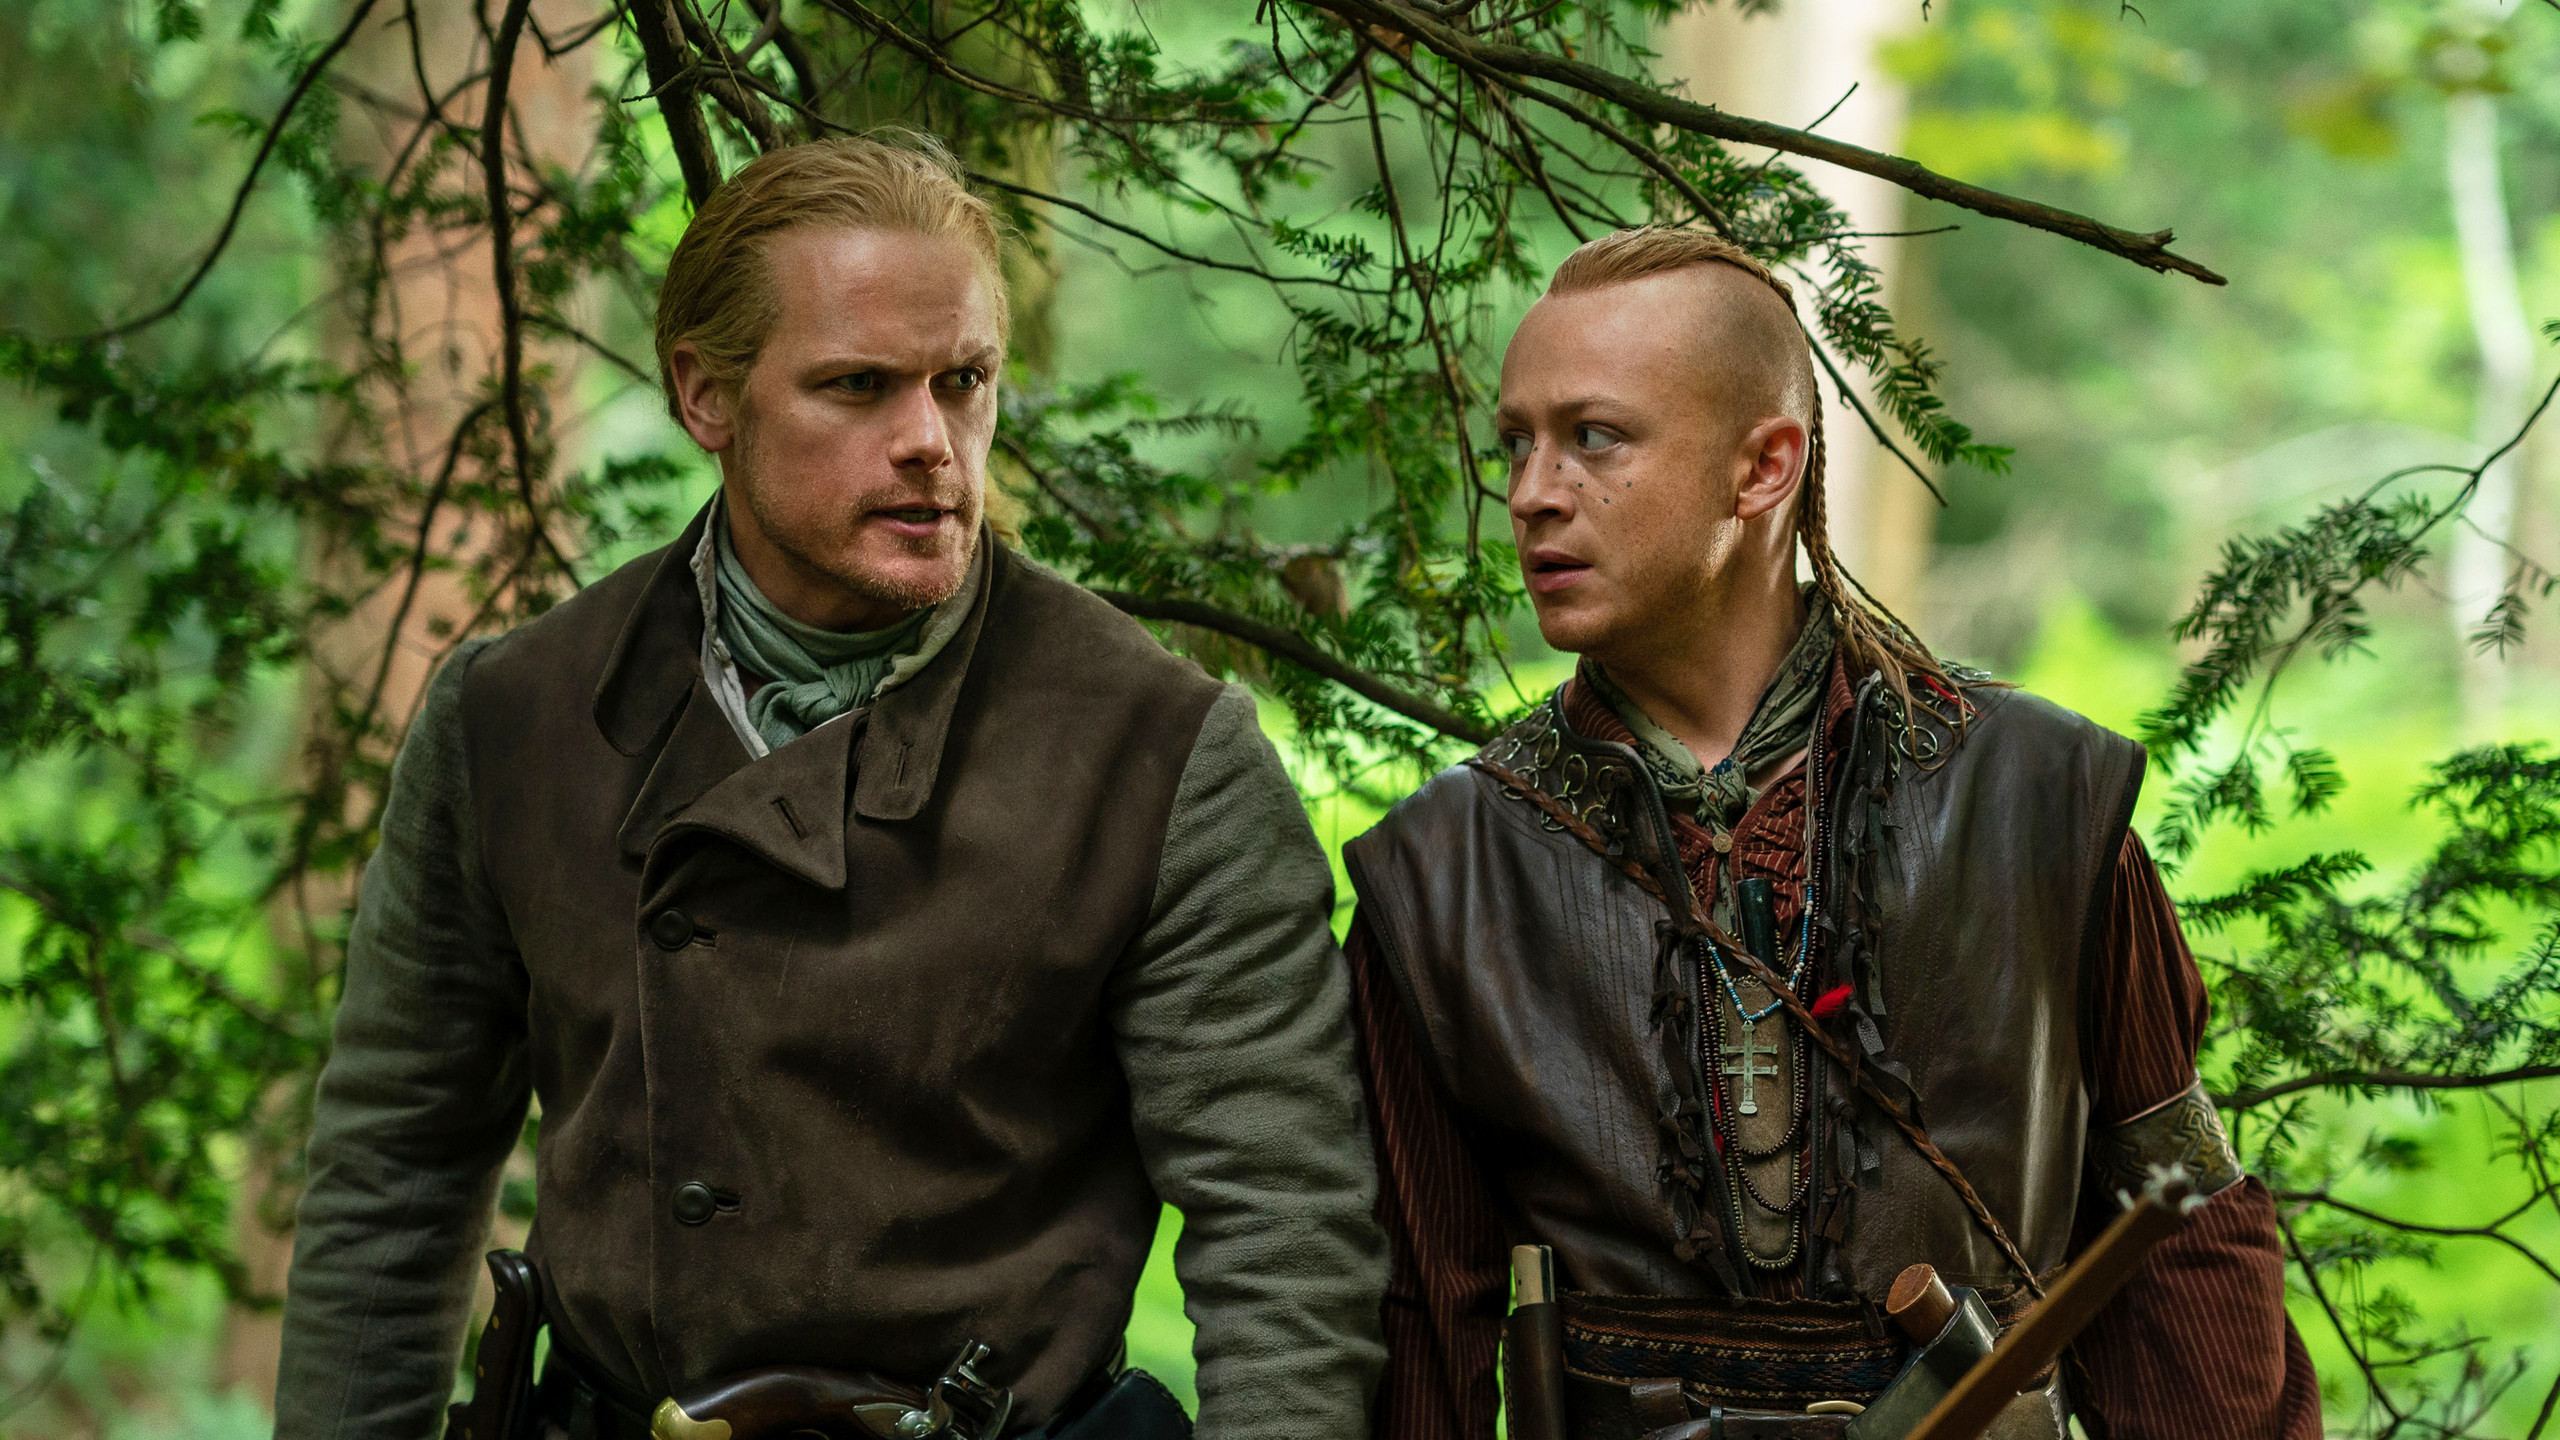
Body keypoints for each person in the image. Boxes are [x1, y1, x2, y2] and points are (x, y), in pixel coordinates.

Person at [273, 134, 1387, 1440]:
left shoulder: (1159, 751)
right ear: (707, 395)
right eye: (857, 386)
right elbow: (392, 1177)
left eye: (963, 382)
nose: (930, 442)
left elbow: (1287, 1235)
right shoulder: (513, 718)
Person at [1342, 228, 2320, 1440]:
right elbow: (1416, 1322)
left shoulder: (2033, 797)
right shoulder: (1445, 871)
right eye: (1515, 443)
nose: (1532, 491)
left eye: (1593, 437)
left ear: (1763, 468)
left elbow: (2180, 1233)